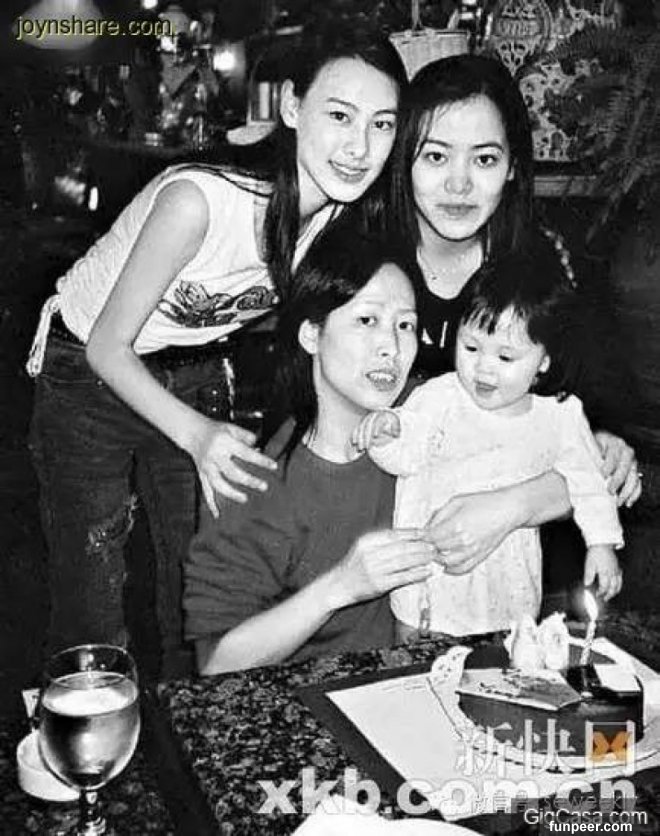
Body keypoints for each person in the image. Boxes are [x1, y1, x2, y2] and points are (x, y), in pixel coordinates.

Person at [26, 22, 409, 675]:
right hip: (88, 371)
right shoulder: (200, 202)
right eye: (340, 116)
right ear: (292, 107)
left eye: (382, 125)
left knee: (195, 590)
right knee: (94, 591)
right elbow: (108, 349)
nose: (360, 147)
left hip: (195, 367)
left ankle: (188, 733)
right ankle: (94, 736)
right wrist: (199, 436)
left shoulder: (340, 216)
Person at [379, 53, 641, 583]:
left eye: (484, 159)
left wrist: (600, 449)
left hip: (517, 568)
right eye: (435, 156)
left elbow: (597, 422)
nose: (458, 185)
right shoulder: (368, 265)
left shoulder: (546, 268)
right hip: (383, 542)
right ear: (403, 159)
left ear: (514, 166)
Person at [184, 228, 437, 673]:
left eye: (406, 325)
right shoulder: (255, 478)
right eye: (367, 320)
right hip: (308, 699)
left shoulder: (431, 415)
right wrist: (341, 586)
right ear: (311, 335)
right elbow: (217, 662)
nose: (392, 347)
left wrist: (511, 504)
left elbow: (553, 446)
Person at [354, 250, 623, 638]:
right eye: (471, 348)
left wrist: (602, 544)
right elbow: (405, 455)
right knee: (415, 666)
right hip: (426, 588)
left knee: (501, 662)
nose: (483, 367)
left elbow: (589, 481)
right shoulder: (439, 397)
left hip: (507, 591)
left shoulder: (558, 415)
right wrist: (389, 431)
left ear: (544, 360)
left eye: (505, 356)